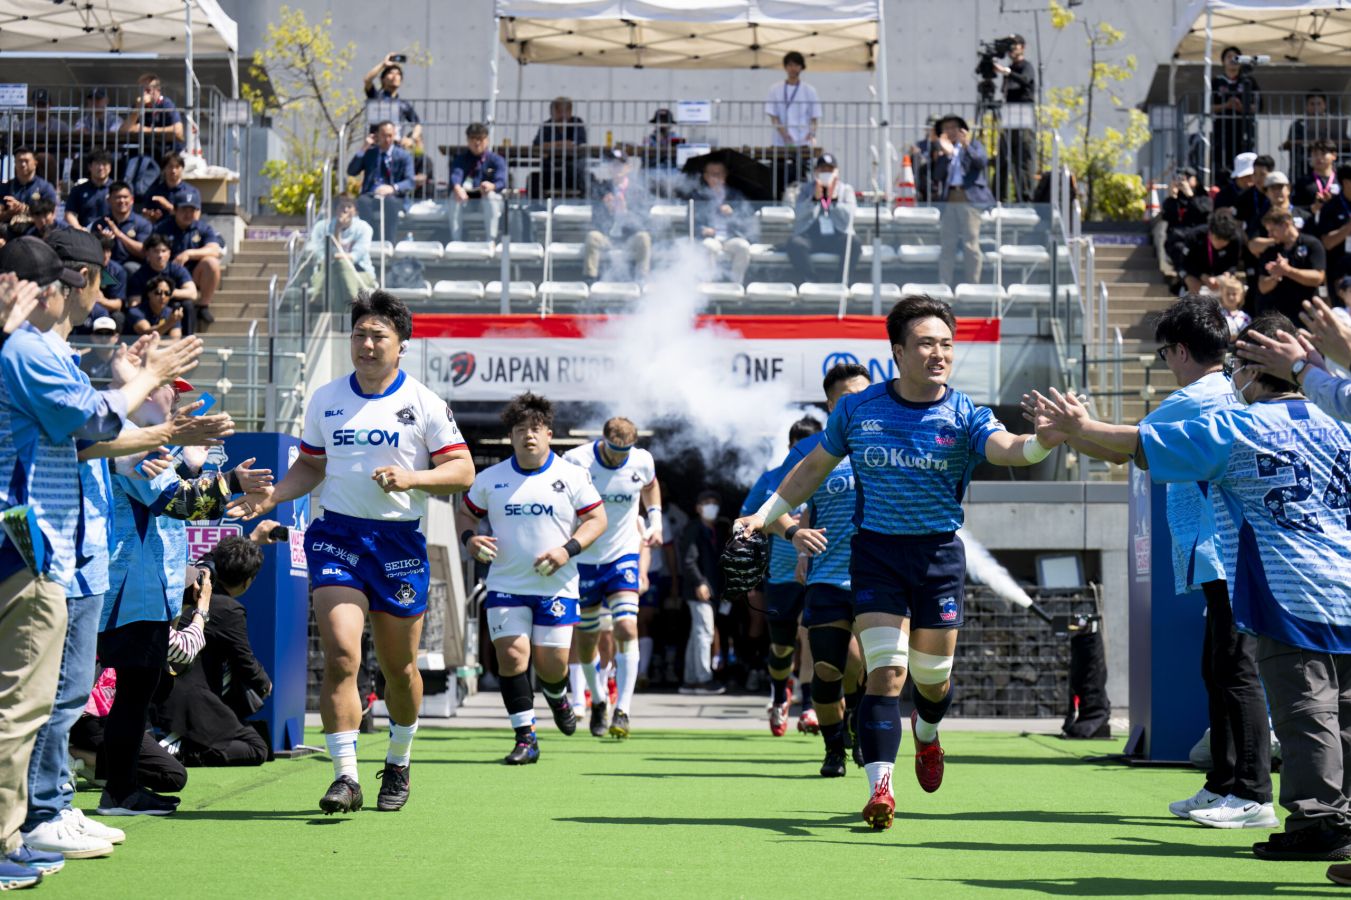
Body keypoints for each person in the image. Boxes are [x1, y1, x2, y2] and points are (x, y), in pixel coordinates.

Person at [734, 294, 1066, 831]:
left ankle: (927, 734)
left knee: (932, 682)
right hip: (876, 555)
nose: (939, 354)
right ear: (898, 352)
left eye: (946, 344)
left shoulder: (965, 412)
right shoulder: (857, 409)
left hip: (938, 557)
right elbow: (813, 468)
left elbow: (1007, 448)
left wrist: (1042, 442)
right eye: (926, 343)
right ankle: (880, 788)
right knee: (886, 674)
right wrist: (766, 515)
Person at [1043, 313, 1351, 861]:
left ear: (1251, 369)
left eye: (1238, 367)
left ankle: (1318, 821)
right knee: (1346, 710)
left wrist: (1080, 425)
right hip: (1346, 580)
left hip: (1289, 587)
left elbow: (1143, 446)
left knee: (1306, 710)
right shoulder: (1340, 422)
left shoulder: (1240, 427)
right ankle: (1339, 814)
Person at [0, 237, 205, 882]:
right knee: (30, 704)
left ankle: (34, 820)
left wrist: (164, 426)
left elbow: (89, 437)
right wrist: (143, 381)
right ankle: (28, 824)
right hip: (35, 546)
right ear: (60, 286)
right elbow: (93, 424)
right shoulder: (27, 350)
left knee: (42, 701)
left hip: (52, 550)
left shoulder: (33, 350)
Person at [228, 290, 474, 814]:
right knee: (342, 653)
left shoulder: (425, 403)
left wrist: (412, 478)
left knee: (399, 670)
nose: (366, 344)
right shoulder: (326, 398)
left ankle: (399, 760)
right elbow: (311, 466)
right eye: (359, 334)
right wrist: (272, 496)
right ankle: (346, 777)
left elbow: (462, 472)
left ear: (401, 345)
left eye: (378, 336)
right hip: (336, 537)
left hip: (398, 543)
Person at [95, 384, 267, 818]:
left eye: (177, 387)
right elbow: (177, 501)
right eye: (167, 385)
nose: (175, 394)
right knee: (125, 692)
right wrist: (229, 481)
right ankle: (113, 791)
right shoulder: (130, 438)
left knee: (136, 691)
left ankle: (119, 788)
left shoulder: (141, 440)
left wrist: (194, 468)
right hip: (130, 591)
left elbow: (175, 498)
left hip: (146, 591)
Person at [456, 392, 605, 764]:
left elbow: (597, 520)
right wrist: (470, 540)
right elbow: (466, 514)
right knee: (512, 657)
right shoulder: (491, 479)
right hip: (506, 585)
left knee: (551, 666)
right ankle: (526, 737)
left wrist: (567, 550)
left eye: (536, 429)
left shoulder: (572, 476)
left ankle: (557, 697)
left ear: (549, 434)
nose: (529, 436)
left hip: (557, 586)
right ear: (511, 436)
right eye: (521, 429)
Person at [151, 529, 284, 769]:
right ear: (248, 581)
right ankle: (181, 752)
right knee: (257, 748)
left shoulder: (193, 586)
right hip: (184, 699)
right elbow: (245, 660)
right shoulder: (228, 609)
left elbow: (213, 558)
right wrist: (265, 683)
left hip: (157, 689)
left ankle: (176, 742)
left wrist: (251, 540)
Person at [561, 418, 659, 739]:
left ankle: (624, 709)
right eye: (615, 450)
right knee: (587, 638)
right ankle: (599, 699)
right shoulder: (576, 461)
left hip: (623, 555)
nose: (619, 457)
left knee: (627, 627)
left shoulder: (642, 461)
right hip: (584, 558)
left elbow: (651, 486)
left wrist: (655, 520)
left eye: (625, 451)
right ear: (602, 440)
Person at [798, 362, 872, 776]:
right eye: (847, 397)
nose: (857, 403)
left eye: (864, 395)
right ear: (830, 405)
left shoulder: (888, 446)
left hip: (877, 577)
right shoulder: (815, 454)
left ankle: (859, 725)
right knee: (827, 669)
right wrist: (797, 539)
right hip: (826, 579)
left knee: (864, 666)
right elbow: (785, 507)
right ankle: (833, 749)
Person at [740, 417, 823, 736]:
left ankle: (810, 706)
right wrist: (784, 528)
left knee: (812, 636)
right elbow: (749, 521)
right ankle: (779, 696)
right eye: (799, 448)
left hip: (818, 573)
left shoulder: (830, 474)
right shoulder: (772, 478)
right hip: (781, 576)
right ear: (790, 447)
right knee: (782, 648)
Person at [933, 116, 994, 287]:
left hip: (969, 199)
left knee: (970, 243)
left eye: (954, 128)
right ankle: (944, 284)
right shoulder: (945, 152)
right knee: (947, 244)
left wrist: (966, 145)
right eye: (946, 129)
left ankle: (973, 285)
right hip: (950, 198)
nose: (950, 132)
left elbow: (981, 162)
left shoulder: (974, 145)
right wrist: (947, 155)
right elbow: (937, 175)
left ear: (962, 130)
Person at [680, 490, 728, 695]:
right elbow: (688, 560)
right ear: (698, 508)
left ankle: (690, 680)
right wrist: (699, 582)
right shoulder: (694, 528)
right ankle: (703, 679)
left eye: (715, 502)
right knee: (704, 632)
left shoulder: (716, 530)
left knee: (697, 633)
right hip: (698, 589)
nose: (712, 506)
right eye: (707, 502)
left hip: (711, 590)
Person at [153, 195, 223, 331]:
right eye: (184, 210)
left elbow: (215, 250)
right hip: (168, 276)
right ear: (175, 210)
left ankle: (203, 305)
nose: (188, 214)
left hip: (194, 275)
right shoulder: (162, 228)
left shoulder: (203, 228)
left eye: (192, 210)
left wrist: (189, 253)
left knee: (212, 263)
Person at [362, 54, 427, 197]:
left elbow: (417, 124)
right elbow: (367, 80)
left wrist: (411, 139)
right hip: (376, 148)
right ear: (383, 79)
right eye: (391, 73)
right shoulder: (376, 97)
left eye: (398, 74)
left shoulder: (404, 104)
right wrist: (383, 64)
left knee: (396, 182)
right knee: (373, 182)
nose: (395, 76)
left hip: (396, 148)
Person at [786, 153, 856, 284]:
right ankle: (811, 280)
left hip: (837, 235)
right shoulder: (805, 189)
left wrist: (834, 200)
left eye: (830, 169)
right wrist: (813, 199)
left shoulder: (846, 190)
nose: (826, 173)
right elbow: (798, 214)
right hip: (812, 235)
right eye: (823, 169)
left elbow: (849, 216)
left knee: (854, 243)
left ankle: (841, 281)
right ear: (816, 172)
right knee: (795, 244)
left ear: (837, 172)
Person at [584, 149, 652, 284]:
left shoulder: (638, 191)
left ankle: (642, 278)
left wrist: (625, 213)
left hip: (629, 239)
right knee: (592, 236)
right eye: (614, 164)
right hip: (607, 238)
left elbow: (643, 223)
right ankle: (590, 279)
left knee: (644, 238)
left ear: (628, 168)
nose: (617, 168)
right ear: (609, 168)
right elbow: (595, 221)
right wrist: (607, 210)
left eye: (621, 164)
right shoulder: (601, 188)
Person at [347, 121, 414, 242]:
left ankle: (389, 242)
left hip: (393, 197)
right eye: (384, 135)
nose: (387, 139)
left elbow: (410, 182)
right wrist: (363, 148)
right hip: (371, 195)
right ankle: (371, 239)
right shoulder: (370, 153)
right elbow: (352, 171)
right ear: (377, 135)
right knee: (362, 201)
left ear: (394, 135)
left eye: (390, 135)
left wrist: (392, 188)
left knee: (390, 203)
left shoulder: (404, 156)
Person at [306, 195, 377, 308]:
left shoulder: (364, 228)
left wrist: (336, 257)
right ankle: (354, 305)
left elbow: (356, 256)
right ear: (335, 210)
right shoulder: (321, 227)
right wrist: (337, 230)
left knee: (341, 266)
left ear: (355, 211)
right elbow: (320, 254)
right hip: (327, 273)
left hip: (360, 274)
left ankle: (318, 295)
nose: (345, 210)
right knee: (337, 275)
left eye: (349, 206)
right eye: (342, 206)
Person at [765, 51, 822, 192]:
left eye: (796, 65)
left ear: (801, 67)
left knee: (800, 176)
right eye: (790, 65)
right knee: (778, 174)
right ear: (785, 67)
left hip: (802, 142)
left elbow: (814, 117)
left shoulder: (809, 90)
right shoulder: (775, 89)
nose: (793, 68)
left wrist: (811, 133)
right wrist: (783, 133)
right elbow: (773, 116)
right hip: (780, 141)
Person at [1255, 208, 1325, 321]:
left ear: (1286, 225)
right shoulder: (1271, 251)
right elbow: (1262, 287)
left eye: (1272, 230)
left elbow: (1318, 278)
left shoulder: (1312, 244)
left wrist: (1287, 271)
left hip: (1305, 314)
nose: (1269, 235)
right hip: (1278, 316)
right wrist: (1275, 276)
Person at [694, 159, 754, 284]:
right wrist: (702, 229)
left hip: (732, 236)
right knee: (707, 246)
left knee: (743, 247)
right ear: (706, 176)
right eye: (712, 174)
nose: (716, 178)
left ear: (725, 176)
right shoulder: (699, 196)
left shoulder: (735, 195)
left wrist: (733, 213)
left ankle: (736, 284)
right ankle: (708, 283)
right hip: (711, 238)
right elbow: (691, 221)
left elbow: (746, 219)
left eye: (719, 174)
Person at [447, 123, 507, 243]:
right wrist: (457, 188)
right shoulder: (461, 159)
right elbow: (456, 175)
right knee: (454, 196)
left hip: (489, 200)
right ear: (468, 140)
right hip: (467, 200)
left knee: (490, 197)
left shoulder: (497, 160)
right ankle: (456, 240)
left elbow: (502, 181)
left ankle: (490, 240)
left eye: (480, 138)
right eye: (473, 139)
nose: (477, 143)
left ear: (487, 140)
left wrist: (491, 186)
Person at [994, 35, 1036, 202]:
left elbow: (1026, 79)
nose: (1012, 48)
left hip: (1023, 117)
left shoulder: (1026, 66)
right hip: (1009, 118)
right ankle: (1000, 197)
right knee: (1003, 157)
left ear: (1022, 47)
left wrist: (1008, 72)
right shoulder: (1010, 69)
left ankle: (1025, 198)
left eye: (1015, 45)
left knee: (1023, 159)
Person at [1166, 210, 1245, 296]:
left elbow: (1233, 263)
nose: (1221, 243)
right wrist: (1201, 276)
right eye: (1218, 239)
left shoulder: (1235, 239)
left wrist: (1228, 273)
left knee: (1230, 285)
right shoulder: (1195, 236)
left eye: (1225, 241)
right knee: (1193, 284)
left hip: (1219, 274)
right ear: (1210, 233)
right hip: (1196, 271)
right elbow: (1185, 262)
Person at [1211, 47, 1260, 182]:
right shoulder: (1216, 81)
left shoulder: (1249, 81)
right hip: (1222, 128)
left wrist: (1242, 108)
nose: (1232, 60)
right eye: (1229, 57)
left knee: (1245, 156)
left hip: (1244, 128)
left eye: (1235, 57)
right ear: (1223, 61)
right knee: (1222, 159)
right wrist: (1226, 105)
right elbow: (1208, 107)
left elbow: (1258, 105)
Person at [1153, 166, 1212, 279]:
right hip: (1179, 240)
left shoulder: (1203, 197)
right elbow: (1168, 217)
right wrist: (1172, 197)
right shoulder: (1175, 200)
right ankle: (1183, 276)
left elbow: (1204, 212)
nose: (1183, 181)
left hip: (1199, 239)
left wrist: (1190, 196)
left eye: (1187, 178)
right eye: (1179, 178)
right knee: (1178, 248)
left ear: (1196, 180)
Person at [531, 97, 587, 198]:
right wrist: (563, 144)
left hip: (573, 172)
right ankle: (536, 207)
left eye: (564, 111)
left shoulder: (577, 123)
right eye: (558, 111)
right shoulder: (547, 126)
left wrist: (550, 145)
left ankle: (586, 205)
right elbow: (537, 146)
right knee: (533, 180)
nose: (562, 115)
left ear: (570, 111)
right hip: (550, 172)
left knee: (588, 179)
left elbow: (578, 144)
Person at [1283, 91, 1346, 181]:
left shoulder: (1334, 122)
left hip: (1329, 167)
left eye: (1319, 104)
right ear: (1306, 106)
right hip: (1302, 167)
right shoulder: (1298, 125)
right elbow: (1292, 142)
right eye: (1312, 104)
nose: (1316, 107)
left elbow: (1342, 139)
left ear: (1325, 105)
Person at [118, 73, 185, 156]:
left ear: (158, 90)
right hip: (146, 151)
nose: (144, 94)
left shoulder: (166, 104)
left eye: (147, 90)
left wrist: (148, 130)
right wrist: (137, 110)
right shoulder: (137, 105)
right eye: (141, 90)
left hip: (169, 151)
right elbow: (123, 131)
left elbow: (178, 130)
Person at [126, 234, 197, 311]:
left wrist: (168, 293)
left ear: (169, 253)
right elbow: (134, 303)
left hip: (172, 308)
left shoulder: (178, 270)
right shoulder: (139, 275)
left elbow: (193, 293)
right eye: (156, 251)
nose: (160, 255)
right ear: (147, 253)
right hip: (149, 310)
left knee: (188, 304)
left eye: (164, 251)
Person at [93, 182, 153, 270]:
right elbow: (91, 250)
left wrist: (119, 235)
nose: (122, 201)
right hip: (106, 266)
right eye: (117, 197)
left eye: (125, 197)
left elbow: (144, 252)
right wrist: (103, 241)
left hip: (131, 267)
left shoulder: (143, 224)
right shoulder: (100, 223)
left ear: (132, 200)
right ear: (108, 200)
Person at [1310, 164, 1351, 284]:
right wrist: (1348, 227)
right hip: (1339, 271)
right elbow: (1327, 243)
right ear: (1346, 182)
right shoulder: (1330, 207)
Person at [0, 147, 58, 225]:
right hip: (9, 230)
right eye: (20, 161)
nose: (23, 164)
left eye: (26, 161)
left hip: (36, 230)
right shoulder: (5, 187)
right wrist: (9, 213)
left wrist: (24, 208)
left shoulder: (45, 188)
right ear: (15, 163)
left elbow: (50, 216)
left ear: (35, 163)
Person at [140, 153, 202, 225]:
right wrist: (151, 216)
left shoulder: (191, 192)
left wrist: (168, 207)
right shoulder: (154, 192)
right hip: (160, 230)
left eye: (177, 167)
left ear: (182, 168)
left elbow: (195, 219)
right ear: (164, 169)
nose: (173, 170)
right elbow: (147, 216)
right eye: (170, 166)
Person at [64, 152, 114, 231]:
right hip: (85, 234)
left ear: (110, 167)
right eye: (97, 164)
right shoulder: (78, 190)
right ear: (90, 167)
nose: (101, 168)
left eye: (104, 164)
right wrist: (80, 229)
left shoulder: (118, 190)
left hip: (112, 234)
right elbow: (69, 214)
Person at [1293, 140, 1340, 211]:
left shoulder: (1342, 180)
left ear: (1334, 156)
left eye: (1323, 153)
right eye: (1315, 154)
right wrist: (1312, 208)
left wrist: (1333, 202)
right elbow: (1295, 208)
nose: (1319, 157)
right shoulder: (1303, 182)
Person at [80, 316, 121, 384]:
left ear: (116, 337)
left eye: (108, 333)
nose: (103, 338)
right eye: (99, 334)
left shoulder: (123, 361)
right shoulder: (82, 362)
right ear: (92, 337)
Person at [1215, 274, 1252, 338]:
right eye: (1227, 294)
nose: (1231, 297)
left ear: (1241, 295)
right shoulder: (1217, 315)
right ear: (1222, 295)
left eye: (1234, 294)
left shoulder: (1245, 318)